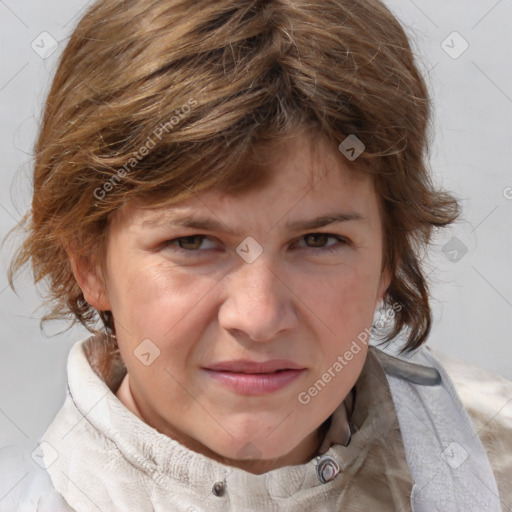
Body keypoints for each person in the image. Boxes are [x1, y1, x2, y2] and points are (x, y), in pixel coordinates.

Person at [1, 0, 510, 510]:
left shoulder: (493, 461)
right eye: (193, 243)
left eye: (317, 241)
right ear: (88, 263)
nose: (260, 317)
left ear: (389, 256)